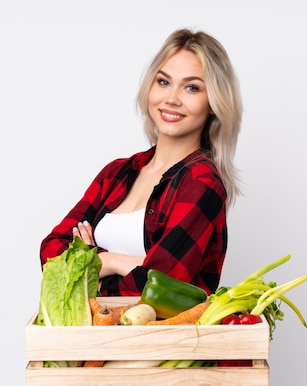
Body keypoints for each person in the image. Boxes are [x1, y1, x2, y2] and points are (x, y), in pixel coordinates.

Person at [40, 28, 243, 296]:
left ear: (214, 103)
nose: (171, 98)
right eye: (163, 82)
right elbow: (51, 255)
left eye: (192, 87)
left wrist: (96, 264)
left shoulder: (202, 183)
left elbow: (159, 286)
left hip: (157, 338)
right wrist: (125, 264)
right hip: (89, 336)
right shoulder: (117, 172)